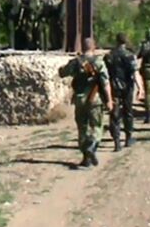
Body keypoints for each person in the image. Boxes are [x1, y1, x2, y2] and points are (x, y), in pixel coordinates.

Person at [59, 38, 113, 167]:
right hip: (95, 99)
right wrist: (109, 100)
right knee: (96, 126)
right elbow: (105, 83)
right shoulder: (99, 62)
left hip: (79, 100)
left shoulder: (75, 62)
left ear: (81, 48)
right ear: (93, 47)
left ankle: (85, 158)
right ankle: (92, 146)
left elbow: (62, 73)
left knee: (82, 128)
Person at [104, 33, 139, 151]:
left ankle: (117, 142)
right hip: (127, 87)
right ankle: (128, 138)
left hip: (113, 87)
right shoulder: (129, 55)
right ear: (125, 41)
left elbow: (105, 74)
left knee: (115, 115)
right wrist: (140, 87)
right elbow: (135, 72)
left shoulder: (109, 56)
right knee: (128, 112)